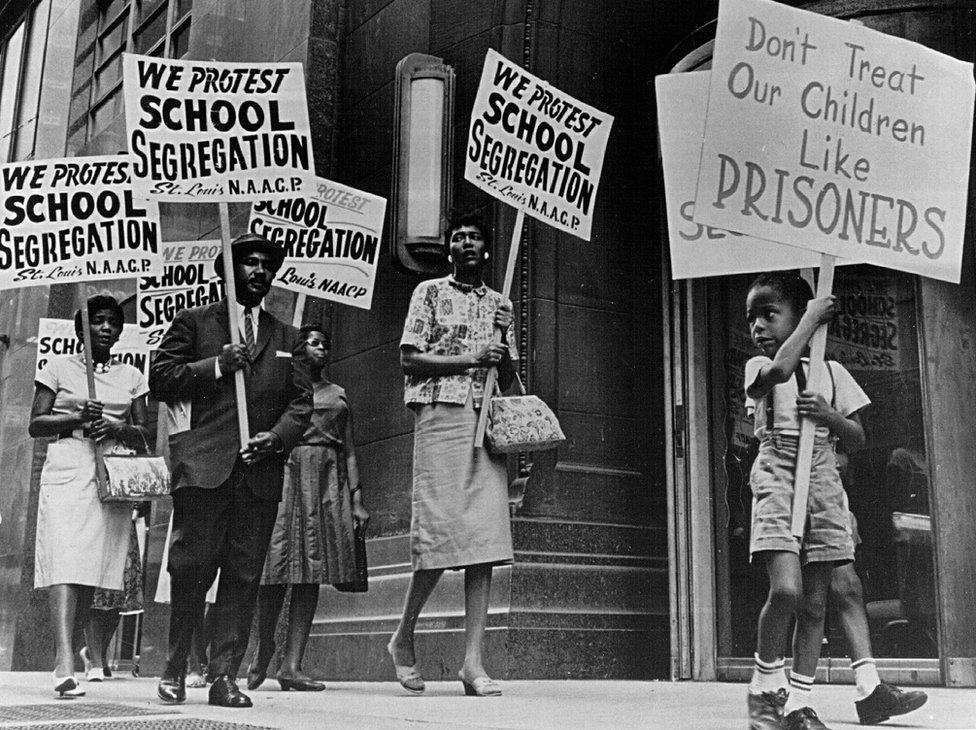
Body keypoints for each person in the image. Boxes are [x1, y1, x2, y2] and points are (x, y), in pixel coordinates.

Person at [149, 233, 312, 708]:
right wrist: (216, 366)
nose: (259, 271)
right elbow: (160, 378)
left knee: (243, 575)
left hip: (258, 473)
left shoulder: (288, 337)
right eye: (249, 263)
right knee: (192, 569)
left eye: (266, 265)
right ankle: (177, 667)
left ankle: (225, 676)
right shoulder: (194, 322)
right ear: (228, 272)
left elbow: (301, 404)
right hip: (205, 469)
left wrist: (277, 437)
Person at [389, 211, 518, 698]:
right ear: (449, 249)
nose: (466, 243)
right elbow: (409, 358)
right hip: (440, 416)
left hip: (485, 421)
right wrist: (470, 358)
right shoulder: (429, 293)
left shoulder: (500, 304)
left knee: (483, 540)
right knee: (439, 537)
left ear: (485, 249)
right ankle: (403, 636)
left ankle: (472, 663)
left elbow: (505, 378)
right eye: (458, 237)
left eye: (475, 238)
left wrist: (503, 347)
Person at [742, 272, 869, 730]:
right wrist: (811, 319)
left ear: (797, 316)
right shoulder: (758, 368)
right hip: (777, 472)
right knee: (787, 590)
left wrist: (829, 415)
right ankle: (763, 685)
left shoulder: (832, 373)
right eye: (752, 317)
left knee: (815, 601)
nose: (757, 325)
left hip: (820, 473)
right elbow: (777, 372)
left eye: (769, 314)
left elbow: (856, 436)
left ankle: (799, 701)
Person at [29, 295, 150, 698]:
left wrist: (115, 426)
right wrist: (78, 417)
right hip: (69, 463)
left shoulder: (132, 375)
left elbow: (143, 431)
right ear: (82, 328)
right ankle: (63, 661)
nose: (105, 328)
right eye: (96, 321)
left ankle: (75, 652)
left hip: (111, 470)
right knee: (65, 558)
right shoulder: (58, 367)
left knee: (92, 571)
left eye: (112, 323)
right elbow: (36, 423)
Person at [247, 326, 369, 692]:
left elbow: (348, 449)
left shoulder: (338, 394)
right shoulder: (282, 389)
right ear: (297, 350)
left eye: (325, 343)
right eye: (312, 342)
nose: (321, 348)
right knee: (274, 569)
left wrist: (357, 498)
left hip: (326, 482)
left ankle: (292, 664)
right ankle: (263, 646)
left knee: (312, 572)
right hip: (285, 476)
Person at [828, 451, 927, 725]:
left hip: (825, 495)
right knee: (794, 595)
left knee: (847, 586)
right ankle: (770, 687)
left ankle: (869, 688)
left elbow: (850, 442)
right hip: (787, 489)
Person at [80, 507, 147, 681]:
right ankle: (95, 660)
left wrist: (138, 506)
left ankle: (96, 653)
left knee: (120, 593)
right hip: (96, 515)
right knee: (95, 592)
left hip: (123, 519)